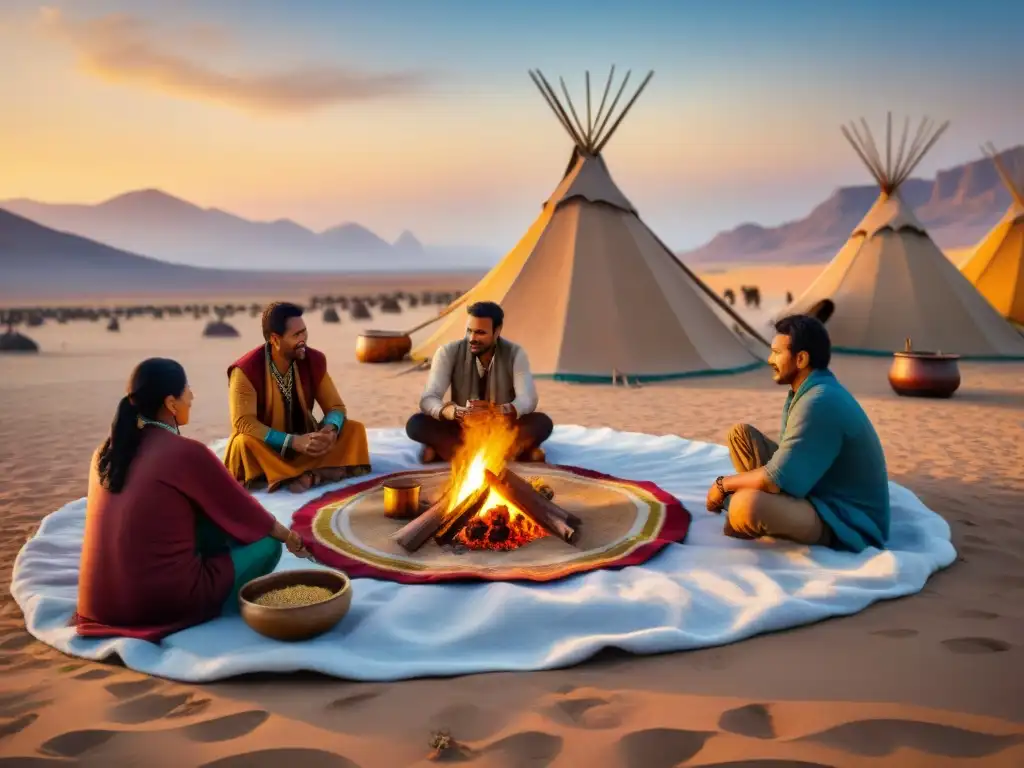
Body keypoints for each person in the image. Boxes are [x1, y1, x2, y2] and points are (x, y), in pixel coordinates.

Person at [75, 358, 311, 643]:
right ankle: (216, 601)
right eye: (187, 389)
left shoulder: (104, 452)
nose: (192, 395)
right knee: (266, 543)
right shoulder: (186, 453)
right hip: (156, 606)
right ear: (171, 403)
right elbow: (247, 512)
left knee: (202, 516)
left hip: (99, 604)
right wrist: (288, 538)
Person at [705, 314, 890, 551]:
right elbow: (786, 462)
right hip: (818, 485)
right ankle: (774, 506)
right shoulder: (810, 389)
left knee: (745, 505)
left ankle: (756, 508)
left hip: (845, 517)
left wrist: (724, 485)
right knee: (741, 436)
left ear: (801, 358)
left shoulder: (819, 401)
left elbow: (774, 478)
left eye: (777, 353)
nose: (770, 359)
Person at [224, 302, 371, 492]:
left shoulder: (312, 360)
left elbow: (335, 407)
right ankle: (314, 472)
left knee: (353, 429)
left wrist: (330, 430)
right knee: (244, 444)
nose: (303, 340)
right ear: (275, 339)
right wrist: (292, 442)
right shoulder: (245, 370)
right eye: (296, 335)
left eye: (304, 332)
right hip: (268, 445)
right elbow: (243, 422)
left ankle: (302, 474)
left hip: (306, 439)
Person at [406, 301, 553, 463]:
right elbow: (429, 399)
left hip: (500, 426)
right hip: (462, 426)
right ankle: (511, 454)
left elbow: (528, 399)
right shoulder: (448, 352)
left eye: (480, 333)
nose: (472, 338)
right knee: (416, 424)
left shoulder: (515, 353)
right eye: (469, 331)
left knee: (542, 422)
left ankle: (454, 454)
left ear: (497, 331)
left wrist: (497, 411)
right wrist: (455, 412)